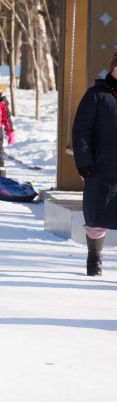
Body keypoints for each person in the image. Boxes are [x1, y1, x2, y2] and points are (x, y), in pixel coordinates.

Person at [71, 50, 117, 276]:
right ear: (113, 68)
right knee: (97, 220)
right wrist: (84, 161)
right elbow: (81, 131)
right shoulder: (96, 95)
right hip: (101, 169)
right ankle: (95, 258)